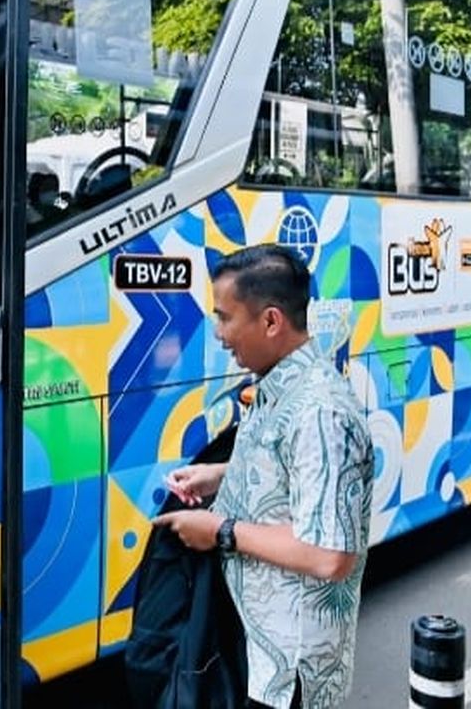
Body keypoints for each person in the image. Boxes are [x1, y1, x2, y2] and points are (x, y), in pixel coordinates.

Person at [153, 244, 373, 709]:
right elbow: (296, 474)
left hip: (289, 668)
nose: (218, 334)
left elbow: (330, 554)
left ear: (271, 321)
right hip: (258, 649)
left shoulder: (320, 411)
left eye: (225, 318)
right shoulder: (278, 386)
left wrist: (221, 531)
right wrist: (218, 476)